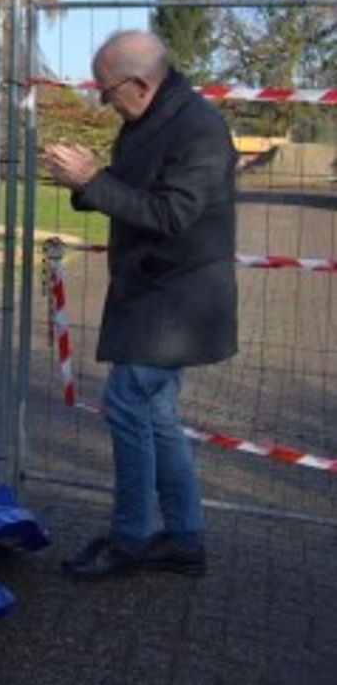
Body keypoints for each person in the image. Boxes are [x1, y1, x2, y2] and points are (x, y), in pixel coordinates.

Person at [42, 29, 237, 579]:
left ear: (142, 83)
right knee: (156, 416)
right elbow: (126, 191)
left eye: (107, 92)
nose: (104, 102)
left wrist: (94, 180)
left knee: (128, 405)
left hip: (180, 303)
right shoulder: (149, 122)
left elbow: (172, 215)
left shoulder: (197, 127)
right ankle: (184, 538)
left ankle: (128, 540)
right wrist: (84, 179)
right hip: (153, 295)